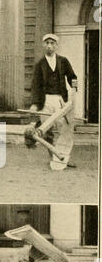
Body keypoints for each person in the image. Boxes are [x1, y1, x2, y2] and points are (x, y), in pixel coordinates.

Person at [30, 33, 78, 168]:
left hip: (59, 99)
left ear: (56, 46)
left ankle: (65, 157)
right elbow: (35, 85)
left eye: (52, 43)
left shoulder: (63, 61)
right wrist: (34, 103)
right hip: (45, 100)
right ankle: (54, 156)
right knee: (47, 131)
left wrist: (74, 89)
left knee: (65, 128)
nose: (50, 46)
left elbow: (72, 76)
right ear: (43, 45)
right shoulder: (40, 64)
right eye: (47, 43)